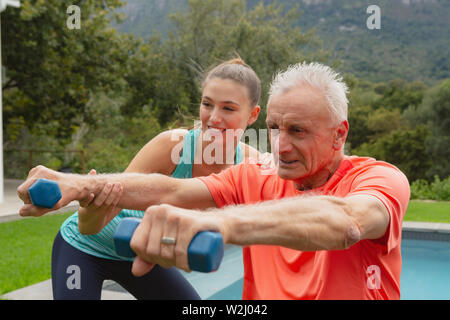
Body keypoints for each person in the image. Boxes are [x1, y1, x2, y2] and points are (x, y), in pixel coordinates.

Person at [18, 62, 410, 300]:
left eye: (298, 131)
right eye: (275, 129)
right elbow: (171, 190)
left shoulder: (378, 178)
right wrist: (77, 185)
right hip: (87, 246)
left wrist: (220, 222)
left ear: (339, 134)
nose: (282, 145)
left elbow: (346, 222)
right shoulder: (252, 173)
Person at [45, 58, 262, 299]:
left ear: (252, 115)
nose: (213, 118)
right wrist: (93, 208)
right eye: (207, 104)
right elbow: (88, 227)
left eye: (228, 108)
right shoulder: (173, 147)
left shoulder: (252, 163)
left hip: (142, 255)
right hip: (84, 247)